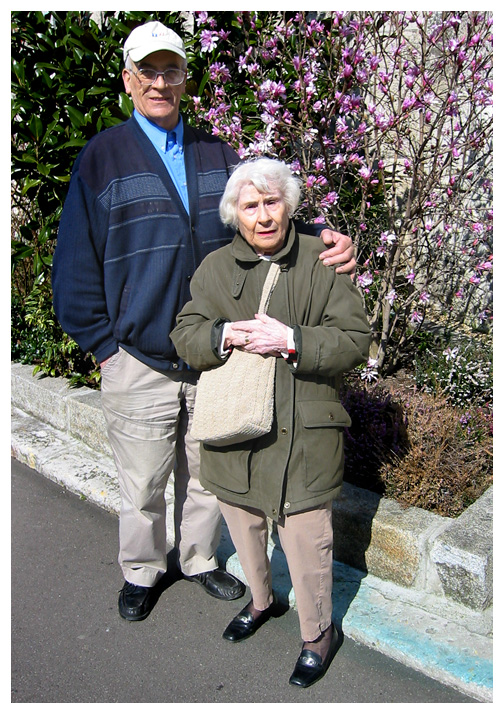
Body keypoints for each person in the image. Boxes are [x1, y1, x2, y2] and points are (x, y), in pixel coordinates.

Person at [52, 20, 356, 624]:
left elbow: (262, 211)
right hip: (137, 358)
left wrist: (322, 234)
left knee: (206, 475)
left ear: (186, 79)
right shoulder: (102, 157)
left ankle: (197, 559)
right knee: (141, 483)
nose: (160, 81)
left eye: (172, 70)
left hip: (218, 353)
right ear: (128, 80)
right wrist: (103, 345)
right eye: (149, 71)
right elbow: (75, 264)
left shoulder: (215, 153)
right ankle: (142, 570)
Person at [171, 157, 371, 687]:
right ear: (233, 214)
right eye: (250, 205)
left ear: (290, 205)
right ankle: (262, 603)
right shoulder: (214, 268)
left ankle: (317, 633)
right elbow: (186, 334)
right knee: (244, 523)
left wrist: (292, 341)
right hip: (235, 429)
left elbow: (355, 341)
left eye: (272, 202)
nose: (263, 215)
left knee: (307, 540)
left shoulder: (323, 259)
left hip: (304, 431)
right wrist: (223, 336)